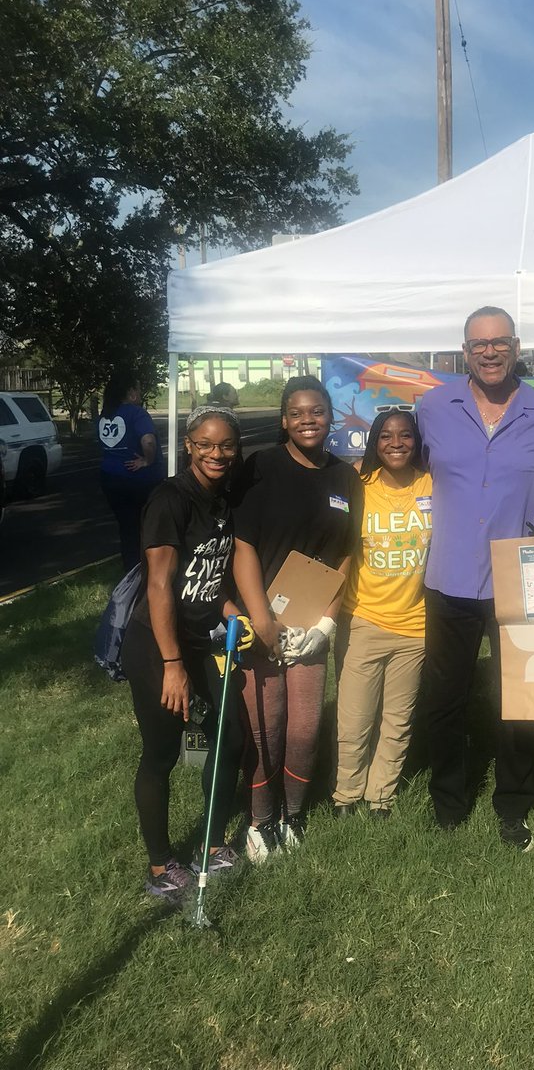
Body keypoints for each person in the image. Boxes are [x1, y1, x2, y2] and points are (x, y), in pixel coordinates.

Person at [416, 306, 534, 850]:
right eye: (479, 344)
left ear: (517, 347)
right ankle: (449, 800)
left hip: (520, 580)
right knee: (445, 696)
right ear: (465, 352)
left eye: (500, 342)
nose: (490, 352)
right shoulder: (433, 407)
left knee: (518, 697)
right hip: (449, 575)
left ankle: (514, 803)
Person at [232, 376, 362, 860]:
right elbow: (242, 545)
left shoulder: (345, 477)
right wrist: (261, 620)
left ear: (330, 417)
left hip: (310, 621)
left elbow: (346, 552)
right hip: (261, 618)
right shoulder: (261, 468)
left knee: (304, 729)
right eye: (297, 413)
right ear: (284, 420)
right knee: (266, 726)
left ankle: (293, 813)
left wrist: (327, 621)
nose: (308, 420)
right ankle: (259, 819)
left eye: (317, 411)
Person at [121, 404, 244, 904]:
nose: (217, 453)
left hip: (201, 639)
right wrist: (172, 665)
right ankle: (160, 866)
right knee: (162, 752)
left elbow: (208, 576)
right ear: (189, 445)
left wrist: (232, 612)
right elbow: (159, 585)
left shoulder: (223, 497)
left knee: (229, 737)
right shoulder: (170, 499)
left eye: (226, 445)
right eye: (206, 444)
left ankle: (210, 844)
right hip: (158, 646)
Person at [332, 409, 432, 817]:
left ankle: (381, 797)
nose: (396, 443)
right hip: (363, 620)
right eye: (386, 436)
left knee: (397, 720)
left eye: (405, 435)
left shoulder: (432, 484)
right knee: (354, 720)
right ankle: (346, 794)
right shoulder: (358, 485)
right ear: (375, 441)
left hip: (415, 626)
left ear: (416, 441)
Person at [98, 375, 165, 570]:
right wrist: (147, 460)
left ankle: (131, 569)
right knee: (149, 525)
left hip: (110, 478)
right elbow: (148, 441)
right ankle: (150, 567)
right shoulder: (137, 413)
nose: (140, 393)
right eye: (138, 388)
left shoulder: (105, 415)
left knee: (127, 527)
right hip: (140, 481)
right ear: (131, 392)